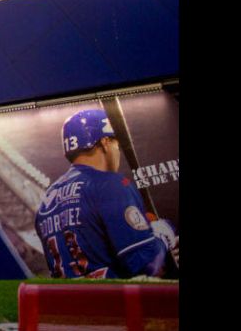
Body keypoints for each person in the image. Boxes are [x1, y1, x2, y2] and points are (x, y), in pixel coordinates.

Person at [34, 109, 178, 278]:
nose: (118, 150)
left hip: (66, 294)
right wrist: (163, 233)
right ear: (105, 142)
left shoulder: (44, 204)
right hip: (111, 294)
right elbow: (148, 265)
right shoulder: (109, 184)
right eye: (116, 144)